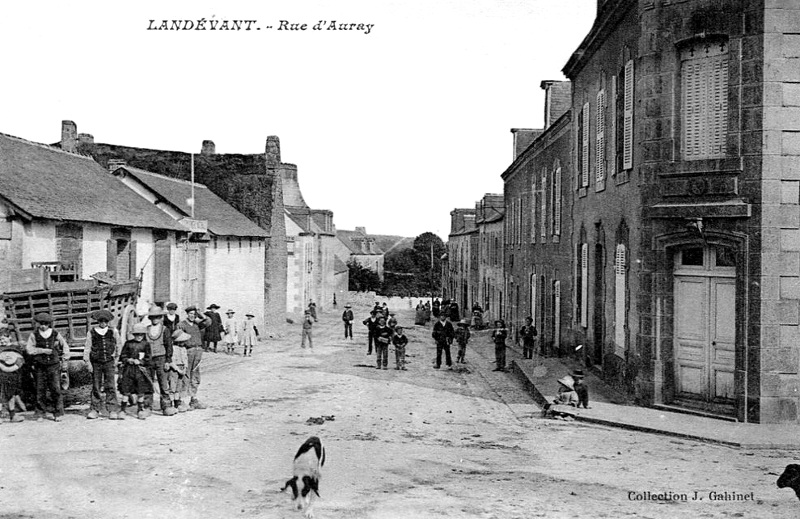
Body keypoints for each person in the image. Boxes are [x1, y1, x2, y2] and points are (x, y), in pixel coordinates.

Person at [25, 312, 69, 422]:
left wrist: (65, 360)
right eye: (41, 324)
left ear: (49, 324)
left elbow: (65, 346)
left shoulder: (55, 333)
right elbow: (29, 349)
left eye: (45, 324)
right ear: (37, 324)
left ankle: (58, 413)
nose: (43, 326)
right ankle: (40, 413)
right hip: (40, 366)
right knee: (40, 389)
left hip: (53, 365)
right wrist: (42, 350)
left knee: (56, 389)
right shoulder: (34, 335)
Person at [82, 309, 122, 420]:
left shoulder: (113, 331)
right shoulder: (92, 332)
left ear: (108, 321)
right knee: (96, 386)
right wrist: (88, 362)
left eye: (105, 321)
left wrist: (116, 359)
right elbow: (87, 347)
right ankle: (95, 409)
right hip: (96, 363)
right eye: (101, 321)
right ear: (98, 321)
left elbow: (119, 345)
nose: (103, 323)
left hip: (109, 362)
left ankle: (112, 410)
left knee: (110, 385)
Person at [146, 306, 177, 416]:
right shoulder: (147, 329)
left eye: (157, 317)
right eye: (153, 317)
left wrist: (168, 360)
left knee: (163, 384)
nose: (155, 319)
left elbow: (169, 346)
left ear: (160, 318)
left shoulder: (165, 330)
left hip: (161, 358)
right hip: (149, 360)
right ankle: (147, 406)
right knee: (148, 384)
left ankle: (166, 406)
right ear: (150, 318)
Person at [177, 306, 210, 410]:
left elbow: (208, 321)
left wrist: (200, 314)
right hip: (187, 351)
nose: (192, 316)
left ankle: (193, 399)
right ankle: (181, 400)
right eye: (190, 313)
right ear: (187, 314)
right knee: (185, 375)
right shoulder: (181, 325)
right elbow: (178, 339)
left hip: (198, 351)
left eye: (194, 314)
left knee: (195, 375)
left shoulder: (197, 324)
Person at [118, 322, 153, 420]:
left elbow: (149, 358)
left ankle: (140, 410)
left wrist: (140, 361)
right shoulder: (128, 343)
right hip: (129, 370)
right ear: (134, 335)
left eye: (141, 334)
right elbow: (123, 356)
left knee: (140, 391)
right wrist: (128, 360)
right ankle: (123, 410)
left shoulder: (146, 344)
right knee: (126, 390)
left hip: (140, 371)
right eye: (137, 334)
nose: (139, 336)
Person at [0, 322, 26, 423]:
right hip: (1, 374)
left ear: (9, 338)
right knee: (1, 395)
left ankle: (12, 415)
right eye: (0, 339)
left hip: (12, 375)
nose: (2, 341)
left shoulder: (15, 348)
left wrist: (14, 365)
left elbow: (20, 360)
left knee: (11, 395)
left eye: (4, 338)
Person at [168, 329, 191, 412]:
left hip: (182, 368)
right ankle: (170, 404)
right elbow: (171, 361)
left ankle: (177, 403)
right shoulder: (173, 349)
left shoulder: (183, 349)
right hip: (175, 369)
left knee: (178, 387)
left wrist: (185, 368)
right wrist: (177, 369)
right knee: (172, 387)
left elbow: (185, 359)